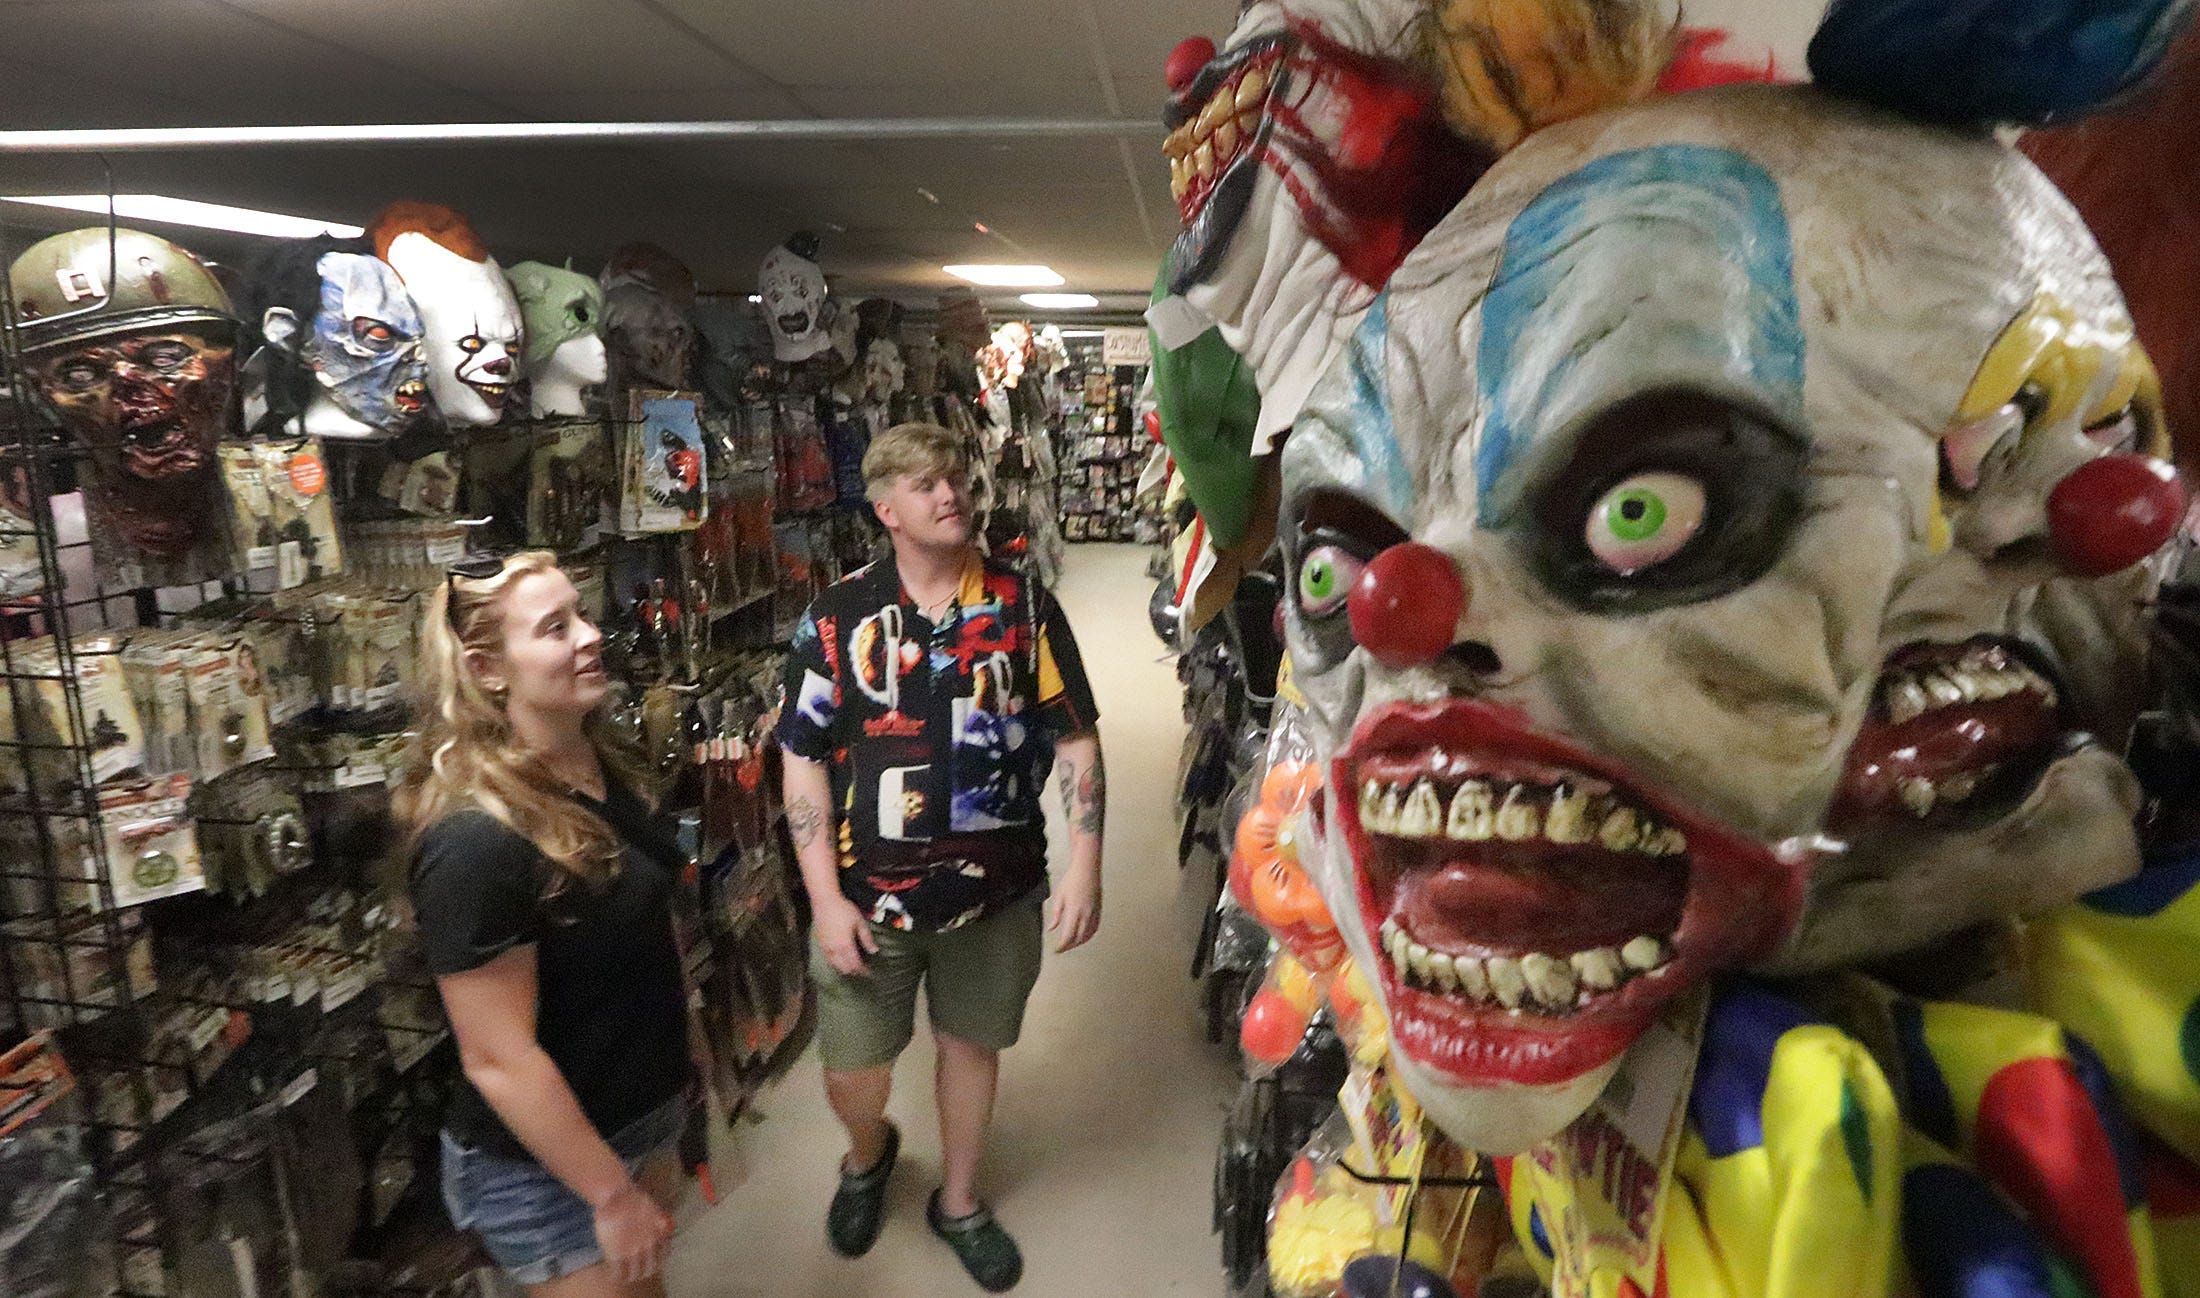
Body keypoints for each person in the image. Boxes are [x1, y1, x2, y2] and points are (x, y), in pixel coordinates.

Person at [777, 421, 1105, 1292]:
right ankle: (866, 1155)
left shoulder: (1023, 604)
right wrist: (823, 900)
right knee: (854, 1068)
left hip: (997, 892)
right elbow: (801, 754)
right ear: (886, 508)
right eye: (924, 484)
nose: (949, 494)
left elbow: (1075, 739)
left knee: (970, 1047)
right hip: (865, 897)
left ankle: (957, 1202)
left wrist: (1085, 865)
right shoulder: (839, 614)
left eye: (954, 478)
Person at [396, 550, 707, 1297]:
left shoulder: (596, 762)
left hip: (637, 1116)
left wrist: (686, 1069)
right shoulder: (475, 838)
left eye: (583, 614)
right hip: (546, 1170)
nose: (591, 636)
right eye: (555, 627)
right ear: (487, 668)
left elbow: (640, 941)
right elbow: (497, 1057)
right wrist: (609, 1193)